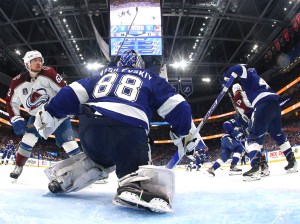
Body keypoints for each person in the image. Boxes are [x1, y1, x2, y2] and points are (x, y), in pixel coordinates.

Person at [34, 49, 204, 213]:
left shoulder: (101, 74)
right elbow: (178, 106)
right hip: (128, 130)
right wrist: (184, 134)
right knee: (137, 152)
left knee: (99, 159)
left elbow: (71, 92)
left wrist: (50, 112)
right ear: (140, 66)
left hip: (90, 129)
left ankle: (68, 176)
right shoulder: (151, 78)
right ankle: (135, 184)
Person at [6, 50, 80, 179]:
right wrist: (16, 118)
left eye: (40, 60)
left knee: (69, 143)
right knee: (28, 139)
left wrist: (70, 106)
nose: (38, 62)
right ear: (26, 64)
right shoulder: (16, 82)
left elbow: (65, 90)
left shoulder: (49, 73)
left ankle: (85, 169)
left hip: (57, 113)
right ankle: (18, 166)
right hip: (37, 116)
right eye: (34, 60)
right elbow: (11, 102)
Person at [224, 64, 298, 180]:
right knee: (278, 134)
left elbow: (238, 68)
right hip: (274, 104)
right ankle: (292, 162)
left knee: (253, 138)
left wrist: (227, 77)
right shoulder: (256, 78)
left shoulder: (247, 75)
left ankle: (255, 168)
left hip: (262, 105)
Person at [232, 83, 270, 176]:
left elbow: (247, 109)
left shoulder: (237, 96)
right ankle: (264, 166)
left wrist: (241, 118)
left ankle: (255, 167)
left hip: (254, 115)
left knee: (251, 141)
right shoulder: (246, 93)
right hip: (262, 115)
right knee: (259, 144)